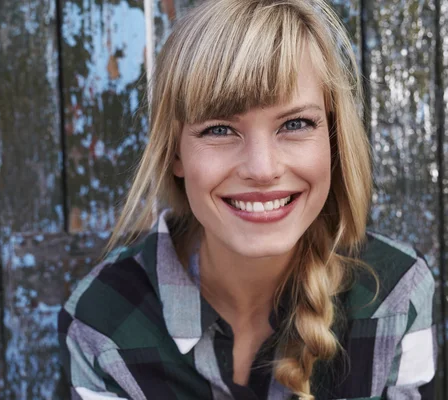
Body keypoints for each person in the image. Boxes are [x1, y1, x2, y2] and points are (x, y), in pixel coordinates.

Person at [58, 0, 437, 398]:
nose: (262, 168)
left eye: (295, 124)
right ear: (174, 152)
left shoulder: (396, 294)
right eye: (220, 129)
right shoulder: (104, 320)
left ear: (333, 138)